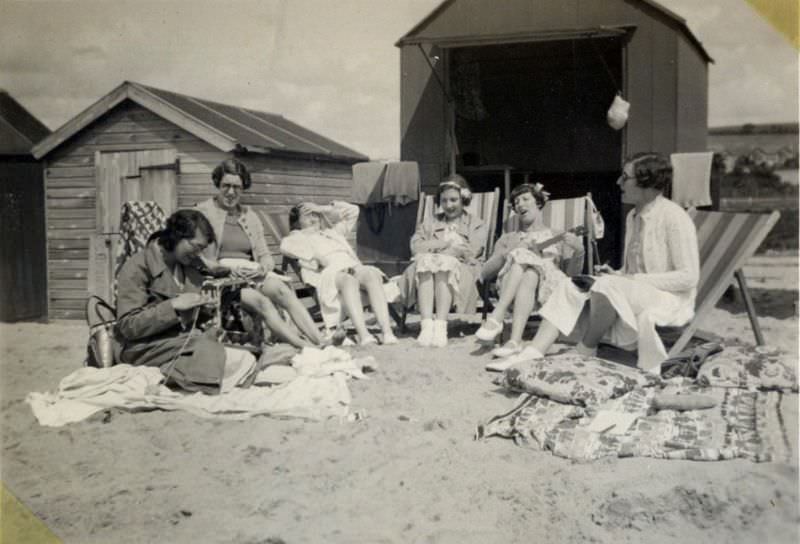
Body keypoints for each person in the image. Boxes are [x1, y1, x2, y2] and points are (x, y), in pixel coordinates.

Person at [502, 153, 699, 372]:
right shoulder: (633, 216)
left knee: (606, 285)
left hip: (669, 302)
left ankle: (586, 349)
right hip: (638, 292)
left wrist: (628, 279)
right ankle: (533, 352)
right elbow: (633, 269)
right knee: (571, 284)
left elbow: (688, 277)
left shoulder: (674, 217)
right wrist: (617, 273)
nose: (618, 182)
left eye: (625, 177)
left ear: (648, 182)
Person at [115, 209, 251, 393]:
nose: (199, 254)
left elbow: (194, 316)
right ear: (177, 236)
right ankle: (184, 378)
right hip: (145, 348)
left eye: (202, 249)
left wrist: (204, 309)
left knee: (243, 357)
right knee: (226, 360)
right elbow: (128, 326)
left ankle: (174, 377)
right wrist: (172, 306)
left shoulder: (189, 265)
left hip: (180, 344)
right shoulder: (137, 267)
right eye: (196, 247)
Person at [195, 159, 324, 349]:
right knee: (261, 302)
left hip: (252, 274)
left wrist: (264, 267)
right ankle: (305, 346)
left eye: (237, 187)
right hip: (223, 281)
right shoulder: (201, 213)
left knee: (282, 291)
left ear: (243, 188)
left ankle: (320, 341)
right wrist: (223, 270)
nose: (231, 192)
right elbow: (196, 255)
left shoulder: (250, 216)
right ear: (217, 184)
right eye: (226, 186)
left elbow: (265, 255)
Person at [474, 182, 583, 357]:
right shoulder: (509, 238)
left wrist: (579, 251)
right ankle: (514, 341)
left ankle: (497, 317)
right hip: (514, 286)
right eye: (516, 202)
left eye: (525, 199)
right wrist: (509, 252)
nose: (520, 204)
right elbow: (484, 273)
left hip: (551, 288)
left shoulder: (558, 235)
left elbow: (572, 277)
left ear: (538, 203)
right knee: (529, 270)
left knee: (529, 264)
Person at [280, 200, 398, 346]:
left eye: (315, 215)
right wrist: (316, 256)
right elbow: (285, 247)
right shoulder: (298, 237)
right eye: (307, 216)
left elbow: (354, 210)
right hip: (328, 273)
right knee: (348, 280)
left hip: (352, 266)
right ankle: (364, 335)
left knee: (371, 275)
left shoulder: (333, 233)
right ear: (297, 223)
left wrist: (320, 207)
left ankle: (387, 332)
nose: (313, 219)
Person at [399, 175, 488, 347]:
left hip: (463, 271)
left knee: (442, 263)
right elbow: (415, 247)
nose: (449, 205)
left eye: (454, 200)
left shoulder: (476, 224)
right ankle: (427, 326)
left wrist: (433, 248)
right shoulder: (430, 222)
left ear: (464, 199)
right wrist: (445, 245)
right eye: (444, 200)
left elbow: (472, 250)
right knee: (430, 262)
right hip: (425, 271)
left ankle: (440, 326)